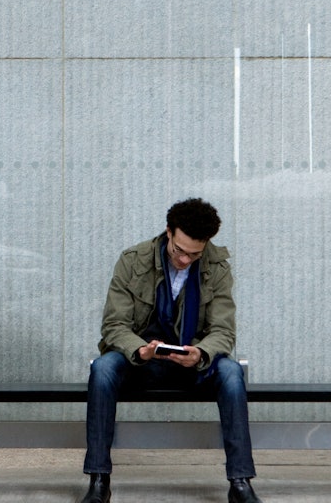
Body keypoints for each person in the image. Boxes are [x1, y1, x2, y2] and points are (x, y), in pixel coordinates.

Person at [80, 198, 260, 503]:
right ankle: (99, 479)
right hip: (141, 361)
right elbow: (114, 326)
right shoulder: (132, 260)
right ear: (168, 232)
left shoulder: (216, 267)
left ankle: (240, 482)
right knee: (103, 368)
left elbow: (223, 331)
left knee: (230, 372)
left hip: (192, 364)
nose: (185, 260)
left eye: (195, 254)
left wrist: (201, 354)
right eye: (179, 251)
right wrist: (139, 350)